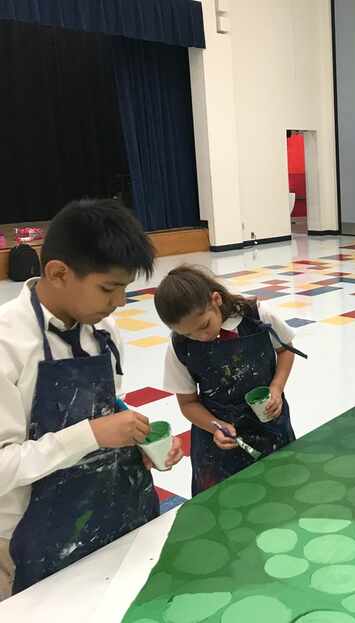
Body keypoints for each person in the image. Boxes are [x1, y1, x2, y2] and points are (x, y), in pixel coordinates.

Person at [0, 199, 183, 599]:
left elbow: (107, 409)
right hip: (31, 544)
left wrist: (141, 443)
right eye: (108, 288)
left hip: (118, 515)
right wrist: (92, 435)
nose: (119, 303)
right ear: (58, 273)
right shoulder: (7, 345)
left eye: (124, 289)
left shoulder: (102, 330)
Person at [155, 265, 306, 496]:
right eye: (189, 334)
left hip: (270, 425)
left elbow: (286, 350)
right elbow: (188, 403)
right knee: (225, 506)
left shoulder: (257, 315)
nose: (201, 337)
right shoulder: (179, 347)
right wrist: (214, 426)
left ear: (215, 299)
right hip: (218, 443)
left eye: (204, 325)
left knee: (281, 493)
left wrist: (276, 387)